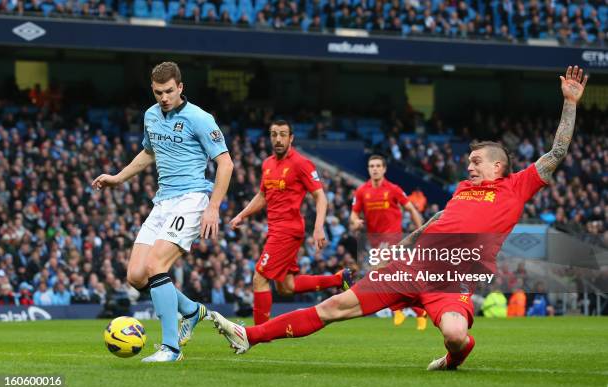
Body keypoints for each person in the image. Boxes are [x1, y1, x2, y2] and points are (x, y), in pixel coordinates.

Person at [211, 66, 587, 370]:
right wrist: (406, 244)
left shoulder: (517, 186)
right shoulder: (461, 189)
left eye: (476, 161)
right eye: (468, 161)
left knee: (456, 336)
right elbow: (441, 216)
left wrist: (569, 103)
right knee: (333, 307)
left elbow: (557, 151)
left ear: (498, 165)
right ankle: (249, 336)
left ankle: (453, 358)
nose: (468, 165)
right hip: (413, 264)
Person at [92, 61, 233, 362]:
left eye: (169, 91)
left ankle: (171, 348)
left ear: (180, 87)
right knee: (136, 276)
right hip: (163, 201)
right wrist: (118, 177)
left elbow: (226, 163)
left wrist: (213, 207)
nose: (164, 97)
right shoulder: (151, 116)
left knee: (157, 263)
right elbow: (148, 152)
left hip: (192, 199)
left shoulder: (199, 117)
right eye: (158, 92)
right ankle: (192, 311)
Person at [229, 120, 352, 325]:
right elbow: (262, 195)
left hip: (287, 230)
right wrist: (242, 215)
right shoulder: (267, 164)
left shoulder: (301, 163)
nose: (278, 139)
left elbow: (320, 197)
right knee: (286, 286)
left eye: (283, 134)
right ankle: (339, 279)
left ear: (291, 138)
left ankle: (257, 333)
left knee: (259, 278)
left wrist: (319, 227)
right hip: (275, 229)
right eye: (274, 134)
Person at [350, 154, 426, 328]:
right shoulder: (362, 191)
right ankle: (417, 311)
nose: (375, 169)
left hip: (392, 239)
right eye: (371, 166)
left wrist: (420, 231)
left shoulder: (393, 189)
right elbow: (353, 214)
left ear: (384, 169)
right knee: (394, 279)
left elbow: (411, 209)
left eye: (378, 166)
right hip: (374, 242)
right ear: (368, 169)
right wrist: (355, 222)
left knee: (379, 274)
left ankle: (400, 311)